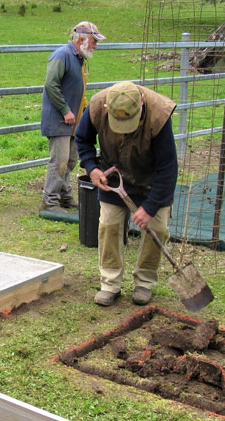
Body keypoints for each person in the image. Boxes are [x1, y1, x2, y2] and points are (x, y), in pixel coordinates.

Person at [75, 81, 178, 307]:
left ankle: (145, 282)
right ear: (107, 109)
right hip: (114, 175)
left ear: (141, 105)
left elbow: (168, 168)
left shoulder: (159, 115)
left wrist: (150, 207)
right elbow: (82, 139)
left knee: (157, 230)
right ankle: (110, 283)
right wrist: (91, 167)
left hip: (151, 181)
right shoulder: (96, 107)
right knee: (109, 226)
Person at [39, 21, 105, 213]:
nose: (95, 46)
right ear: (82, 39)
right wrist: (66, 110)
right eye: (94, 41)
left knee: (70, 161)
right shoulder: (62, 55)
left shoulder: (79, 59)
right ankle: (49, 202)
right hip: (60, 119)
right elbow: (51, 85)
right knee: (59, 161)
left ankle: (65, 196)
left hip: (73, 121)